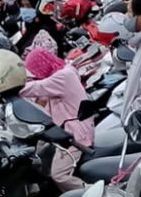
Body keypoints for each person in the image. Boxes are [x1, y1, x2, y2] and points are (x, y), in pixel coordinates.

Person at [21, 47, 93, 191]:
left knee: (59, 175)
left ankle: (97, 193)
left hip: (76, 135)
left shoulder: (63, 77)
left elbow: (37, 87)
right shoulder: (63, 73)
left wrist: (9, 88)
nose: (35, 75)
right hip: (68, 130)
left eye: (35, 70)